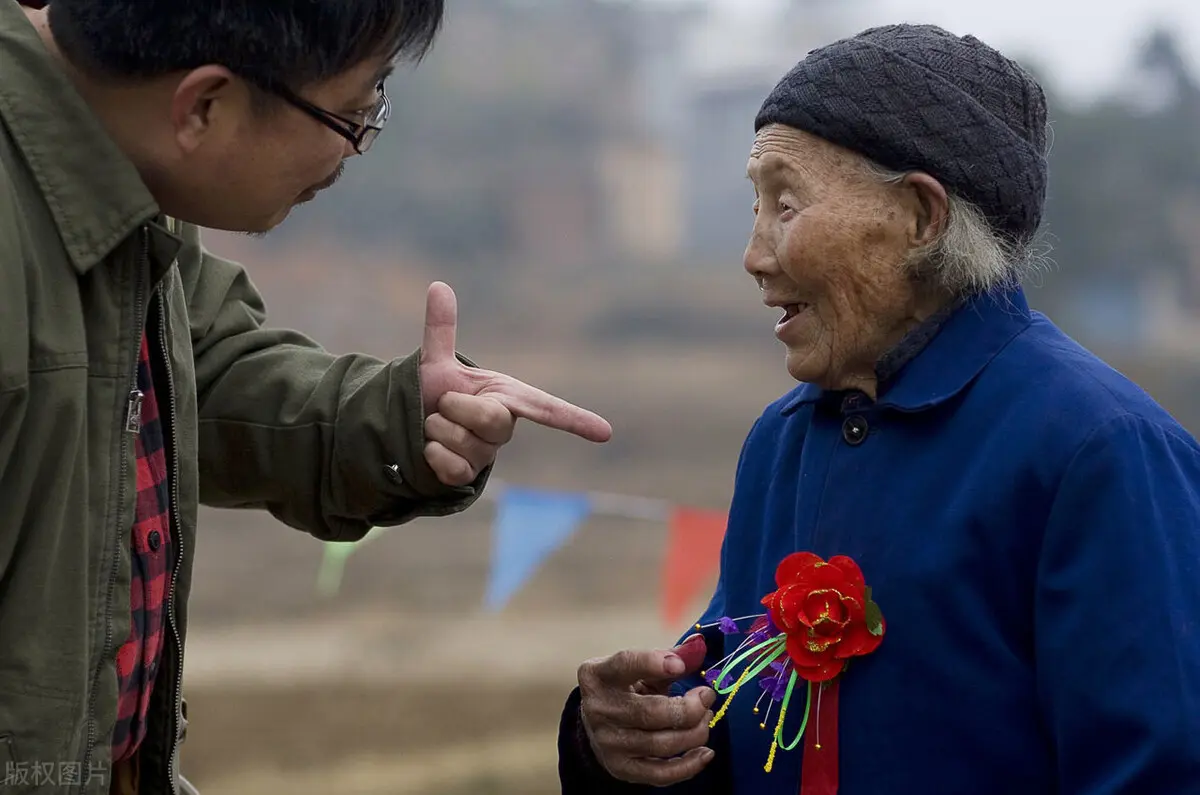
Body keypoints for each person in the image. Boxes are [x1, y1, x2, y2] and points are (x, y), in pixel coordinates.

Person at [558, 23, 1200, 795]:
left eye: (785, 205)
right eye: (755, 206)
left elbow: (1154, 769)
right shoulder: (783, 442)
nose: (754, 254)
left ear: (921, 219)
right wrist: (619, 746)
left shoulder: (1098, 449)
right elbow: (735, 731)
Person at [0, 1, 613, 794]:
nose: (354, 150)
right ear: (205, 106)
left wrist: (397, 416)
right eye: (351, 114)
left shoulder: (128, 171)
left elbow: (204, 364)